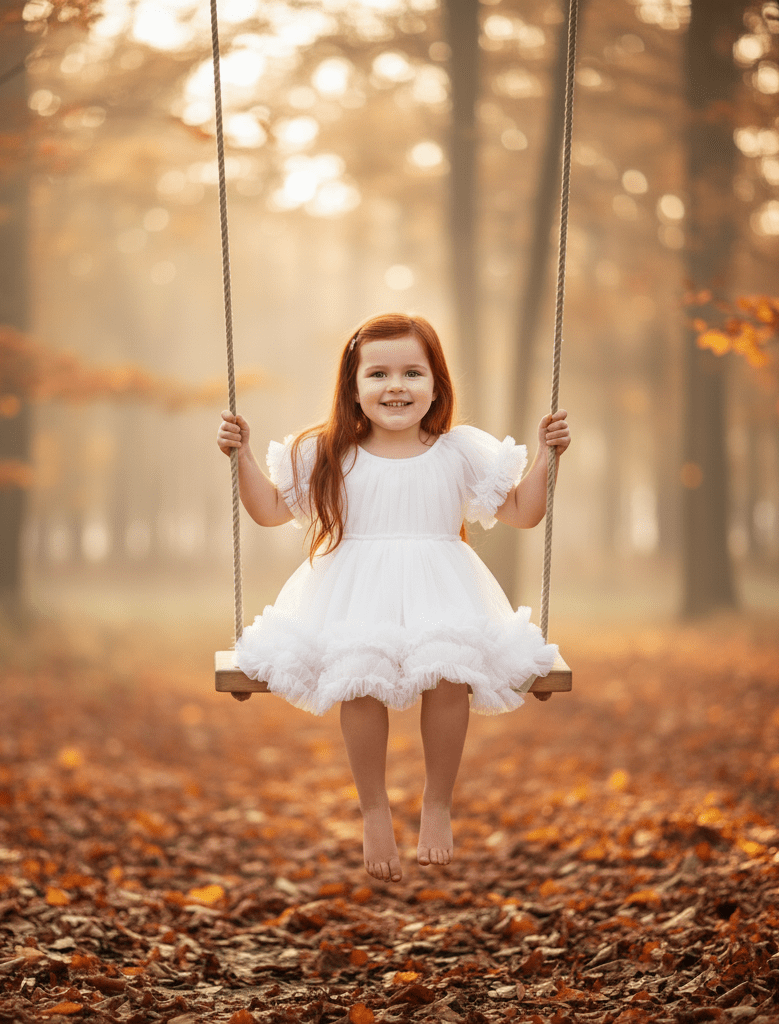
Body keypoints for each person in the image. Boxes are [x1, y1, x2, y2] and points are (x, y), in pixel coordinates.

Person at [215, 313, 570, 884]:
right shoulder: (328, 452)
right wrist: (243, 455)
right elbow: (270, 511)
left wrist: (548, 457)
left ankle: (437, 803)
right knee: (360, 677)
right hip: (354, 591)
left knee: (450, 674)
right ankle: (374, 810)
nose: (396, 386)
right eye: (378, 374)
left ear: (437, 385)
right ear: (354, 388)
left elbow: (524, 514)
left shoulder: (459, 453)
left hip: (442, 587)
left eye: (412, 372)